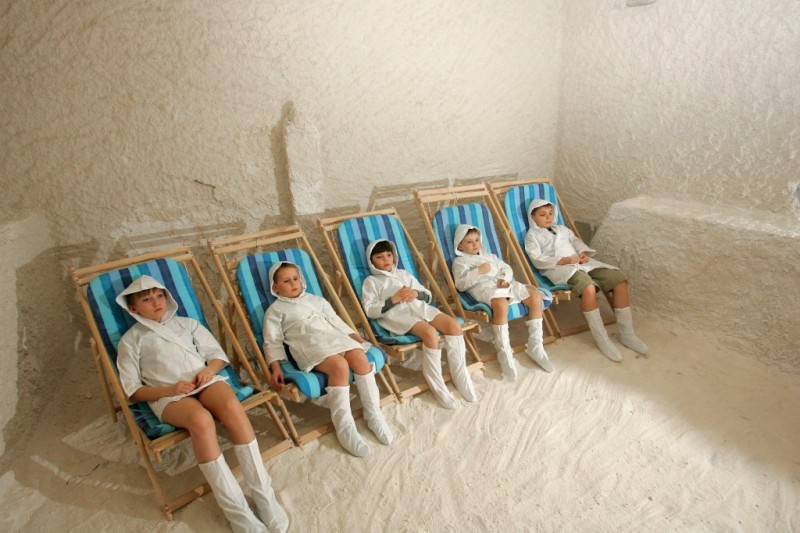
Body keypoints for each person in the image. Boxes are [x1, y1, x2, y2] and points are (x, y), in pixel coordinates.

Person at [116, 275, 288, 533]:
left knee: (231, 406)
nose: (156, 302)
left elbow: (216, 356)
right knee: (201, 420)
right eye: (147, 300)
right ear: (133, 308)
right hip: (167, 395)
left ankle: (265, 496)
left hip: (203, 380)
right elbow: (132, 390)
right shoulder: (131, 340)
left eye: (159, 296)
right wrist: (170, 390)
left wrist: (208, 371)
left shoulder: (188, 324)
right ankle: (237, 511)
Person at [263, 261, 393, 458]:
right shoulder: (275, 311)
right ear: (275, 288)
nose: (293, 283)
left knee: (360, 357)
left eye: (296, 278)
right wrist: (275, 367)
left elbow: (338, 323)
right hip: (309, 344)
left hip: (334, 337)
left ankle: (373, 412)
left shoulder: (317, 300)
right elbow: (272, 341)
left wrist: (361, 341)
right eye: (286, 281)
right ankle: (345, 426)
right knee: (340, 366)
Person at [361, 239, 479, 410]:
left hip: (421, 309)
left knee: (454, 326)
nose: (386, 259)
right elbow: (370, 310)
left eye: (388, 255)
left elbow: (427, 295)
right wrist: (393, 299)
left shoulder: (403, 274)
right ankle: (437, 385)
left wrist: (415, 293)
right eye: (379, 257)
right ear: (371, 261)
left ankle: (460, 375)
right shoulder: (371, 282)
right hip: (399, 317)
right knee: (430, 333)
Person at [524, 198, 647, 361]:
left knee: (619, 280)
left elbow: (576, 242)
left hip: (582, 263)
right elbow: (537, 259)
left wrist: (582, 253)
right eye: (542, 214)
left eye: (550, 213)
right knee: (588, 288)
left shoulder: (562, 229)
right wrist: (564, 260)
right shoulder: (532, 236)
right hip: (559, 268)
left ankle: (627, 334)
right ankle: (602, 339)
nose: (548, 217)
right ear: (532, 217)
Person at [452, 224, 554, 380]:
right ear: (460, 245)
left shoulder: (490, 256)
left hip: (504, 285)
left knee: (535, 297)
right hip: (485, 288)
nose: (475, 244)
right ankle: (504, 352)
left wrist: (504, 279)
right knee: (501, 304)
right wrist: (478, 271)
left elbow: (506, 268)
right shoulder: (460, 262)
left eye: (477, 240)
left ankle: (536, 345)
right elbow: (460, 284)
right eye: (469, 242)